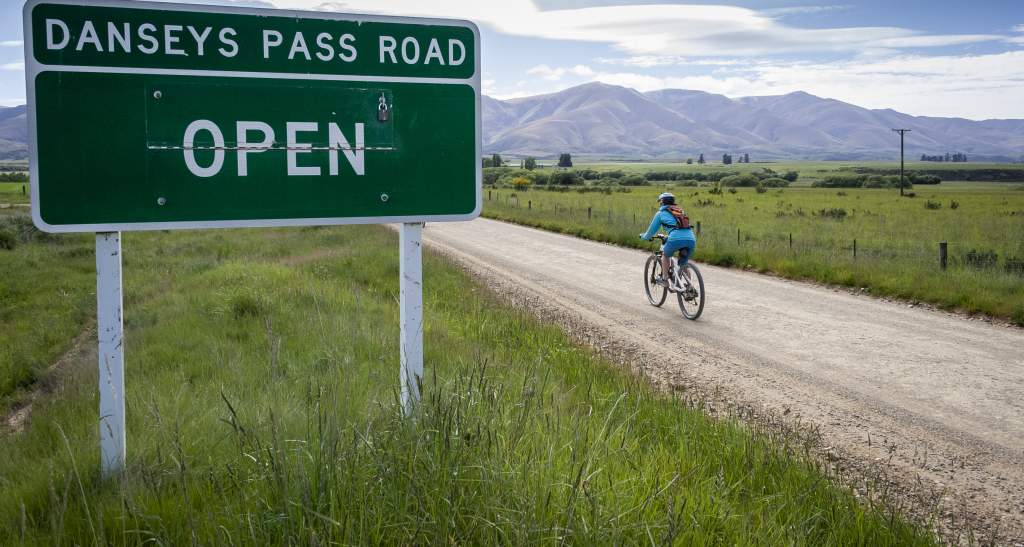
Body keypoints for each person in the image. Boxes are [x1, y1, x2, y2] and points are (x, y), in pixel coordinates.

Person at [639, 192, 697, 290]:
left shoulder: (660, 213)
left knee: (666, 255)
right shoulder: (680, 211)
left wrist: (644, 237)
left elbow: (651, 231)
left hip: (675, 238)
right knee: (683, 263)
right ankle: (689, 287)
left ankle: (664, 279)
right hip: (691, 238)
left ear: (662, 202)